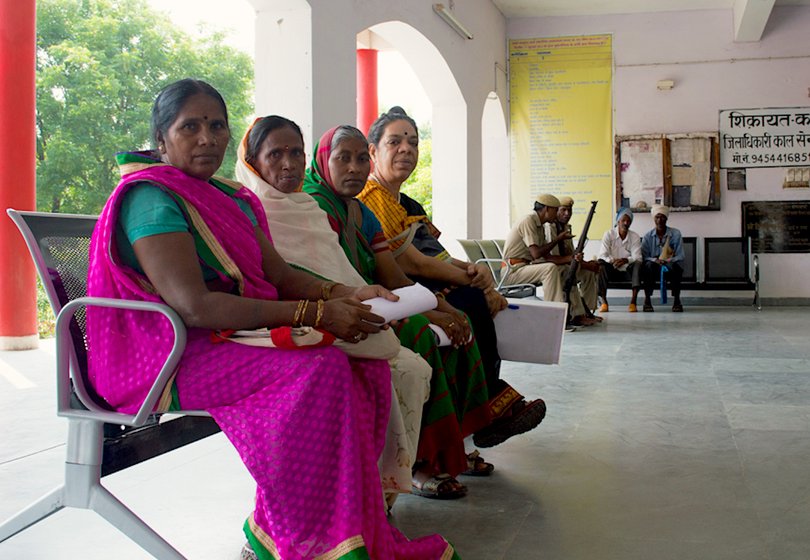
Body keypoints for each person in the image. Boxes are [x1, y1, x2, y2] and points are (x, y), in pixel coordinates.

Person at [86, 79, 458, 560]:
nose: (207, 137)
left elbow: (278, 273)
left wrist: (346, 292)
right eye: (190, 126)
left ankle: (329, 529)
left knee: (361, 365)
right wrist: (315, 314)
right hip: (169, 353)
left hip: (226, 333)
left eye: (216, 125)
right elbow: (194, 306)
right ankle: (309, 541)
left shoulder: (231, 198)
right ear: (162, 139)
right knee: (319, 368)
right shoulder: (152, 199)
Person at [237, 117, 492, 501]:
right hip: (306, 315)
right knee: (418, 336)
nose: (355, 168)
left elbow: (387, 274)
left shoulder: (334, 209)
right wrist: (421, 311)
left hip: (358, 299)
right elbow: (288, 281)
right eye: (344, 159)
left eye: (360, 159)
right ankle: (417, 464)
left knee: (461, 320)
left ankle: (452, 447)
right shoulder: (277, 206)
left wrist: (436, 307)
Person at [358, 106, 547, 449]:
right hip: (393, 287)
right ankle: (490, 402)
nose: (406, 149)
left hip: (423, 282)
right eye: (395, 142)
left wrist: (473, 272)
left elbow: (438, 254)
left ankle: (484, 412)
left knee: (478, 301)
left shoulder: (408, 202)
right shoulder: (373, 198)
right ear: (374, 151)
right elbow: (413, 264)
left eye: (413, 142)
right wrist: (474, 279)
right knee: (469, 301)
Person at [502, 194, 596, 327]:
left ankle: (576, 314)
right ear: (547, 209)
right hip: (512, 271)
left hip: (523, 267)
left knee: (564, 269)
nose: (557, 213)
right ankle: (553, 318)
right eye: (556, 209)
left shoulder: (539, 225)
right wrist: (557, 240)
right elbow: (536, 254)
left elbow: (544, 255)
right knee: (550, 268)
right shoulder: (528, 221)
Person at [543, 196, 600, 320]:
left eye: (569, 210)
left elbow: (571, 254)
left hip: (565, 264)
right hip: (555, 267)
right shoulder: (550, 227)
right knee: (570, 273)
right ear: (556, 211)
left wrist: (585, 263)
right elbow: (553, 257)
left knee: (589, 272)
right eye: (563, 210)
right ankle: (577, 315)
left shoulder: (566, 227)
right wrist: (577, 261)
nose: (567, 214)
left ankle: (587, 311)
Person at [641, 204, 685, 312]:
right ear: (653, 219)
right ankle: (647, 301)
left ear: (666, 218)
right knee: (647, 267)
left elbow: (681, 256)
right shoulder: (647, 236)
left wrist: (668, 260)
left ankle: (677, 301)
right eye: (657, 217)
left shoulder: (675, 234)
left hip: (669, 265)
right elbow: (644, 256)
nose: (660, 220)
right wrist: (655, 260)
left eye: (662, 217)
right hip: (654, 267)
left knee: (676, 268)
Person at [597, 207, 642, 312]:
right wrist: (613, 260)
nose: (626, 223)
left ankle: (633, 302)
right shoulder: (608, 234)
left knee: (638, 264)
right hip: (612, 269)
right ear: (618, 221)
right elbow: (602, 255)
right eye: (623, 220)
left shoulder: (634, 236)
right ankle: (604, 302)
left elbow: (638, 257)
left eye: (628, 221)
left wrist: (625, 260)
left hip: (628, 271)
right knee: (601, 264)